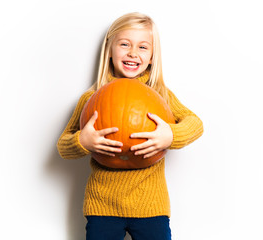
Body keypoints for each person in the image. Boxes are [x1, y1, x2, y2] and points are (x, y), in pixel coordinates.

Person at [56, 12, 203, 240]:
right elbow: (63, 146)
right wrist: (82, 141)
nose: (133, 53)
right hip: (102, 205)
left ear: (153, 56)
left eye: (143, 47)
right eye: (124, 44)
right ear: (110, 49)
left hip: (151, 206)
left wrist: (170, 135)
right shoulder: (92, 98)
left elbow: (195, 124)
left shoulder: (161, 95)